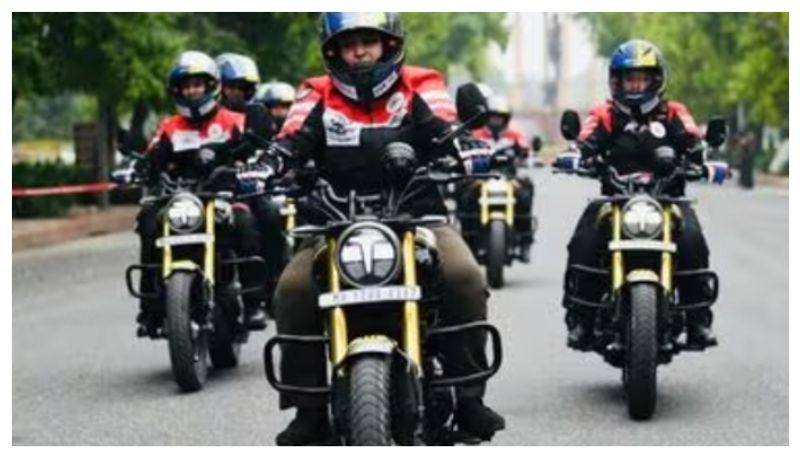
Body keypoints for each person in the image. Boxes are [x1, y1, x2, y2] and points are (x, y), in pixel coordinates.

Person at [253, 12, 505, 446]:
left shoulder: (421, 82)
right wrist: (267, 162)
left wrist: (466, 147)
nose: (359, 51)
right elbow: (291, 137)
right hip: (332, 218)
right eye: (349, 43)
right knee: (292, 290)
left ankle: (468, 398)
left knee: (464, 276)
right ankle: (309, 409)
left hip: (416, 214)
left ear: (389, 45)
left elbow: (443, 125)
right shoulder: (316, 91)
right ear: (333, 50)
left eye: (369, 40)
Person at [554, 39, 729, 350]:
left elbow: (693, 141)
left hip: (667, 200)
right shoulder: (605, 114)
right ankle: (581, 317)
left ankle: (698, 320)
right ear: (616, 81)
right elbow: (584, 142)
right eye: (629, 78)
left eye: (642, 78)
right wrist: (575, 155)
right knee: (584, 240)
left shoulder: (674, 112)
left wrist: (705, 161)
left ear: (656, 80)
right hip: (615, 200)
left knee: (692, 241)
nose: (635, 85)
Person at [112, 50, 268, 334]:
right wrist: (138, 169)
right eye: (186, 85)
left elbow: (256, 148)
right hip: (179, 197)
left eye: (198, 84)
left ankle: (254, 303)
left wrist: (243, 166)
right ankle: (149, 308)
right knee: (148, 219)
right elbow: (153, 155)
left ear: (211, 86)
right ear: (177, 90)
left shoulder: (234, 120)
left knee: (245, 221)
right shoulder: (169, 126)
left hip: (223, 196)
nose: (192, 91)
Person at [461, 93, 537, 262]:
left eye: (499, 118)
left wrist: (530, 157)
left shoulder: (515, 136)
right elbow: (463, 151)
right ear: (486, 118)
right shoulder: (475, 135)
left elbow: (527, 152)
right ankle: (466, 240)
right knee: (464, 194)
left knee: (526, 192)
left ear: (506, 119)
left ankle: (525, 240)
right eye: (493, 117)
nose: (496, 121)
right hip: (480, 178)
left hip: (509, 179)